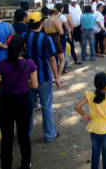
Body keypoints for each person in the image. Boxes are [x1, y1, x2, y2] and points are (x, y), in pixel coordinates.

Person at [0, 35, 38, 169]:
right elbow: (34, 85)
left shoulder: (1, 65)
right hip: (23, 100)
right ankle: (26, 163)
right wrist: (25, 82)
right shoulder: (29, 63)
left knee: (7, 136)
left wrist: (3, 81)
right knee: (23, 135)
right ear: (23, 47)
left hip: (7, 101)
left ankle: (6, 165)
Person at [23, 12, 60, 142]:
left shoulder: (23, 36)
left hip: (27, 78)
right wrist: (57, 77)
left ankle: (25, 134)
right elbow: (52, 60)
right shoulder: (46, 39)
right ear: (41, 23)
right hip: (43, 76)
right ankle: (50, 134)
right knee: (46, 106)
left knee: (28, 106)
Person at [44, 9, 65, 76]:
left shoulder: (45, 21)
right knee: (62, 60)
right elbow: (61, 32)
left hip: (48, 40)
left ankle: (52, 77)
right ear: (55, 14)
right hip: (56, 40)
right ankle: (58, 76)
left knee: (51, 60)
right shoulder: (56, 21)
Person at [55, 3, 73, 73]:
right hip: (62, 35)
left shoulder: (53, 16)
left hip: (55, 36)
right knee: (63, 51)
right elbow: (66, 27)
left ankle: (57, 67)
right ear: (61, 9)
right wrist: (69, 34)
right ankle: (64, 67)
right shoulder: (62, 16)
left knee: (56, 52)